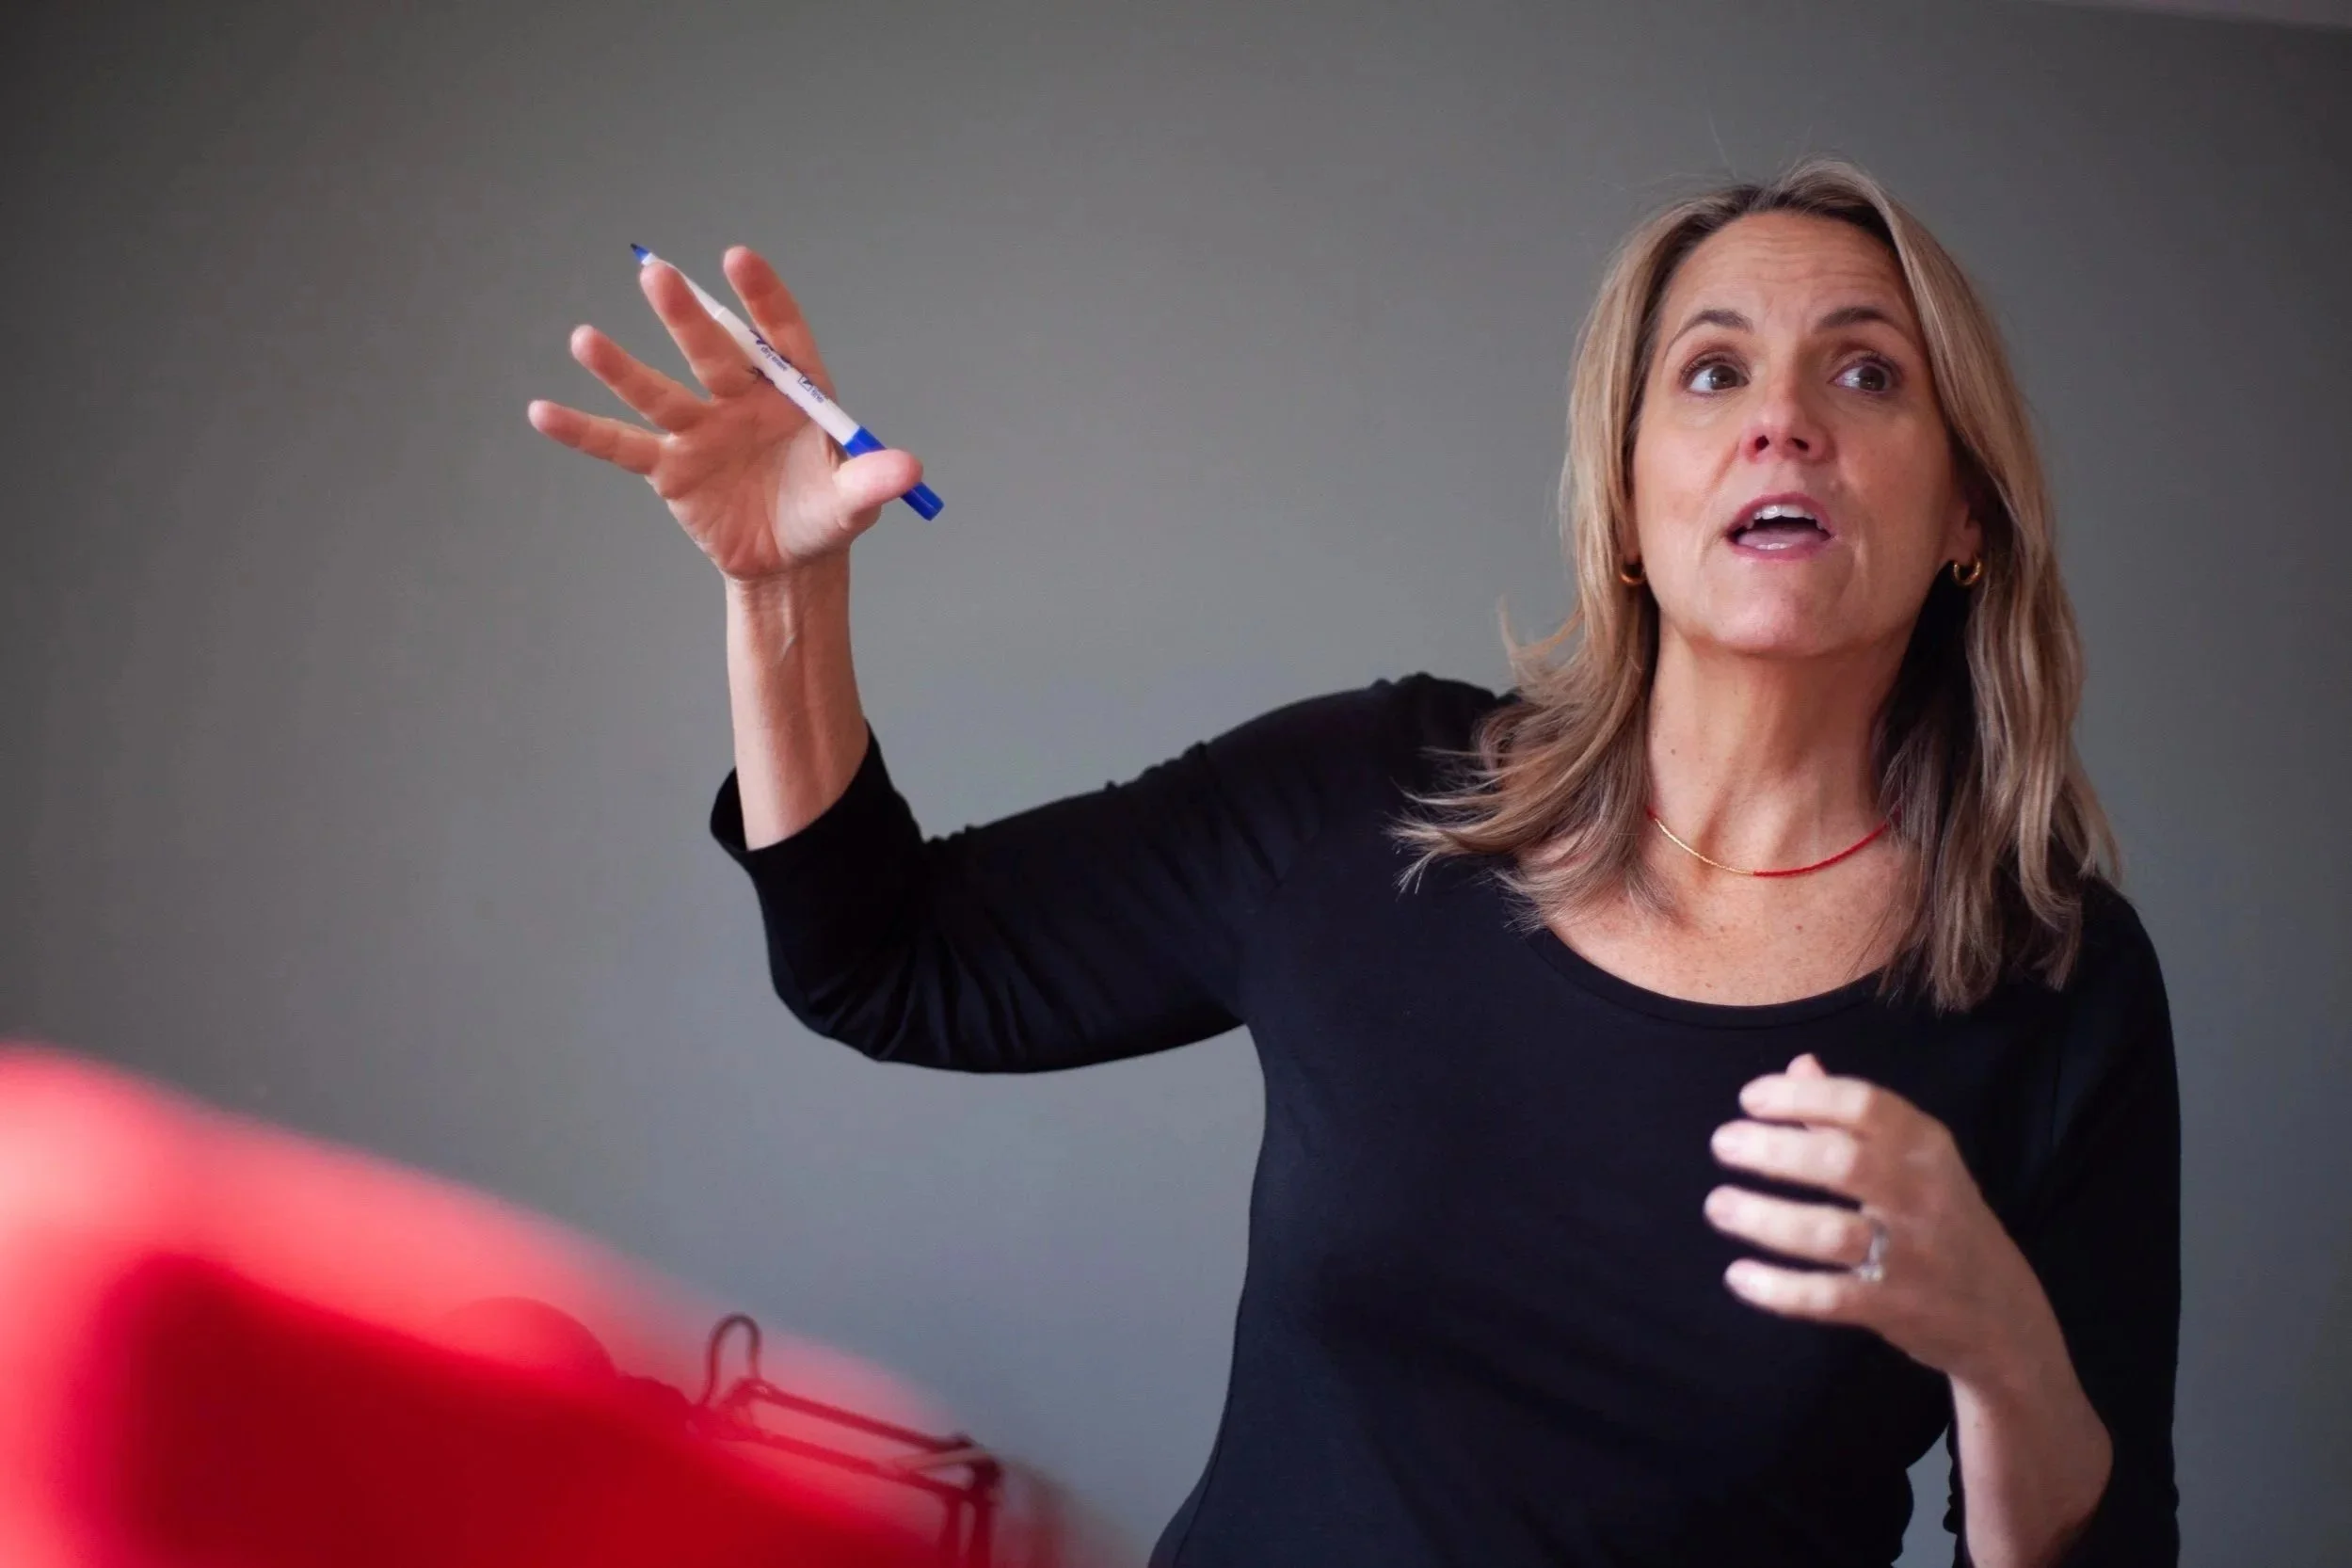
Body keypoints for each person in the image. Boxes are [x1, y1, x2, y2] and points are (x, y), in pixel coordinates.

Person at [526, 155, 2181, 1568]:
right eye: (1710, 372)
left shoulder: (2054, 986)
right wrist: (779, 594)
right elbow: (882, 960)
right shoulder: (1369, 797)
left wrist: (2000, 1343)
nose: (1784, 426)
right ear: (1621, 501)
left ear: (1966, 511)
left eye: (1866, 374)